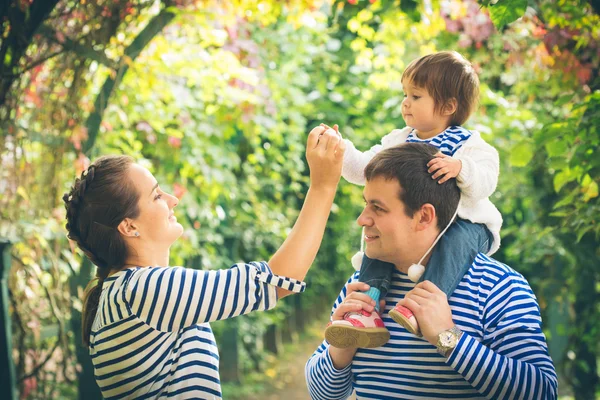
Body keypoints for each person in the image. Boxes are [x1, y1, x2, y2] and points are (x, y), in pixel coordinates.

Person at [63, 126, 345, 399]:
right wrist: (322, 186)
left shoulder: (122, 293)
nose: (172, 200)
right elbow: (277, 279)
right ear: (128, 226)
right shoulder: (142, 290)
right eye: (157, 195)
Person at [306, 143, 557, 399]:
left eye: (378, 208)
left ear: (424, 216)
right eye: (366, 204)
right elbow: (322, 395)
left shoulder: (498, 286)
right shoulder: (362, 286)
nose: (362, 219)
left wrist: (448, 337)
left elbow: (542, 392)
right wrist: (340, 348)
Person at [324, 51, 502, 347]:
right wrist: (340, 149)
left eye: (416, 96)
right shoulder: (399, 139)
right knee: (378, 242)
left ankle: (423, 303)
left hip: (466, 225)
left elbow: (487, 180)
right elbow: (364, 169)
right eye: (405, 94)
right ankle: (368, 306)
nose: (405, 102)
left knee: (454, 245)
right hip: (406, 230)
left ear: (448, 106)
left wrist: (460, 168)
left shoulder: (468, 144)